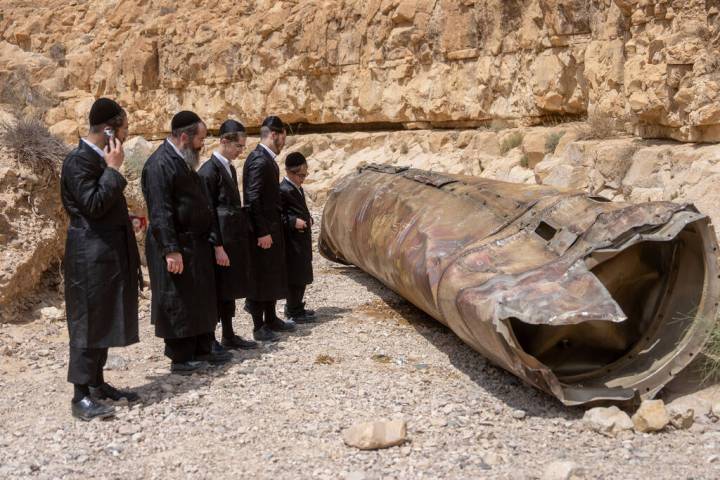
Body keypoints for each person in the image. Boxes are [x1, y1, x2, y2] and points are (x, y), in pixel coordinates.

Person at [60, 98, 142, 420]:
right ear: (109, 130)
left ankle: (96, 384)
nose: (125, 134)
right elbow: (93, 205)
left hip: (104, 255)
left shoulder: (97, 159)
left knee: (103, 318)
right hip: (87, 258)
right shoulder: (78, 162)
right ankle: (80, 397)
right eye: (124, 128)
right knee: (86, 323)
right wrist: (112, 170)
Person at [141, 110, 231, 374]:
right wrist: (171, 249)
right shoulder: (159, 164)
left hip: (195, 244)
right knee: (178, 299)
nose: (203, 144)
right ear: (184, 137)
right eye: (200, 139)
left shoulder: (182, 160)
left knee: (198, 296)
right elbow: (160, 211)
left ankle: (201, 348)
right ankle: (181, 357)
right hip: (177, 245)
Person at [197, 119, 258, 351]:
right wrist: (217, 246)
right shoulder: (208, 171)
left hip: (232, 239)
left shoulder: (229, 168)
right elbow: (209, 213)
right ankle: (210, 339)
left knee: (229, 288)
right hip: (219, 242)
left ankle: (229, 334)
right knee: (217, 289)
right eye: (238, 146)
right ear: (224, 141)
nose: (241, 151)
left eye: (242, 147)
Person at [242, 115, 296, 341]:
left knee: (271, 272)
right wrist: (262, 231)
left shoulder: (266, 159)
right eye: (284, 135)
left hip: (270, 227)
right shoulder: (259, 160)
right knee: (261, 275)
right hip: (262, 230)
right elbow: (253, 198)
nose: (285, 140)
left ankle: (271, 318)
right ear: (275, 134)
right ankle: (258, 326)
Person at [279, 152, 316, 323]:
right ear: (291, 173)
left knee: (302, 274)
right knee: (295, 276)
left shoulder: (296, 188)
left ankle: (297, 306)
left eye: (305, 175)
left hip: (301, 239)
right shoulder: (283, 190)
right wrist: (294, 222)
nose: (303, 179)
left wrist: (308, 219)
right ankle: (292, 309)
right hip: (292, 241)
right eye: (301, 175)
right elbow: (278, 216)